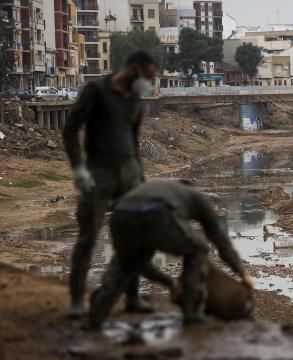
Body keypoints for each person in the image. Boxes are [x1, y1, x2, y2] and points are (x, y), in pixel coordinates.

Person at [63, 51, 157, 318]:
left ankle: (132, 298)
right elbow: (71, 128)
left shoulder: (134, 100)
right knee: (88, 236)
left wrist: (140, 176)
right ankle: (77, 301)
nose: (148, 84)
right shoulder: (96, 90)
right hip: (99, 172)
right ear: (134, 69)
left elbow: (134, 141)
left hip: (129, 174)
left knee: (134, 237)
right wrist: (78, 167)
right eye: (147, 77)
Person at [88, 182, 252, 329]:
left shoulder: (165, 189)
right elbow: (219, 237)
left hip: (120, 215)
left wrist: (170, 282)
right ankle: (192, 314)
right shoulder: (197, 197)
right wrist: (241, 272)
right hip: (156, 214)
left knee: (126, 262)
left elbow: (142, 264)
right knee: (199, 247)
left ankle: (96, 317)